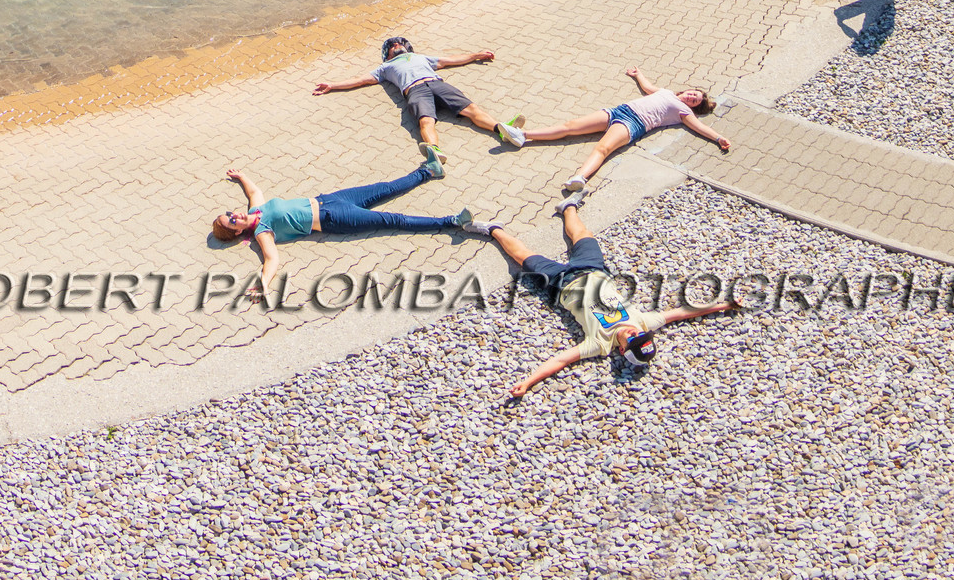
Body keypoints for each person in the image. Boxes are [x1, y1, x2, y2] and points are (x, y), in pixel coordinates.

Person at [484, 205, 740, 400]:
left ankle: (492, 229)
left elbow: (561, 361)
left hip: (561, 283)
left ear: (621, 349)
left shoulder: (599, 344)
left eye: (633, 340)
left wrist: (529, 382)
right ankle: (569, 206)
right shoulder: (642, 322)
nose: (634, 333)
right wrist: (724, 304)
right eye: (641, 336)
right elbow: (683, 312)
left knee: (523, 257)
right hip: (595, 270)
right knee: (584, 234)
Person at [214, 162, 488, 300]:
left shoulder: (255, 211)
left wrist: (241, 177)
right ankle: (452, 222)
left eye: (229, 213)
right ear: (237, 233)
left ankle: (429, 170)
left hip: (329, 199)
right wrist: (263, 283)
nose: (234, 215)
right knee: (394, 220)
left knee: (386, 187)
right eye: (231, 222)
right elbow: (272, 259)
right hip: (334, 218)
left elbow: (255, 191)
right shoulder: (262, 231)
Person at [518, 66, 730, 192]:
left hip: (633, 124)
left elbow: (700, 127)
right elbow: (648, 88)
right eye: (694, 93)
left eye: (695, 100)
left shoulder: (684, 111)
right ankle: (523, 135)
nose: (692, 97)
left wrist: (718, 138)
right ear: (688, 89)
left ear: (693, 107)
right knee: (570, 126)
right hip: (618, 111)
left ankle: (580, 178)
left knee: (602, 149)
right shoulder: (666, 92)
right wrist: (638, 74)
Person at [313, 35, 526, 155]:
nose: (396, 46)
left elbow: (449, 60)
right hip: (415, 90)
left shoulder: (420, 57)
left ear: (407, 47)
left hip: (437, 84)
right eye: (392, 46)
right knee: (425, 121)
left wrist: (475, 55)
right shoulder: (384, 67)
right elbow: (361, 80)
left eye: (399, 44)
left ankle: (502, 129)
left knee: (473, 109)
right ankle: (434, 151)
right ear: (386, 54)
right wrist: (332, 85)